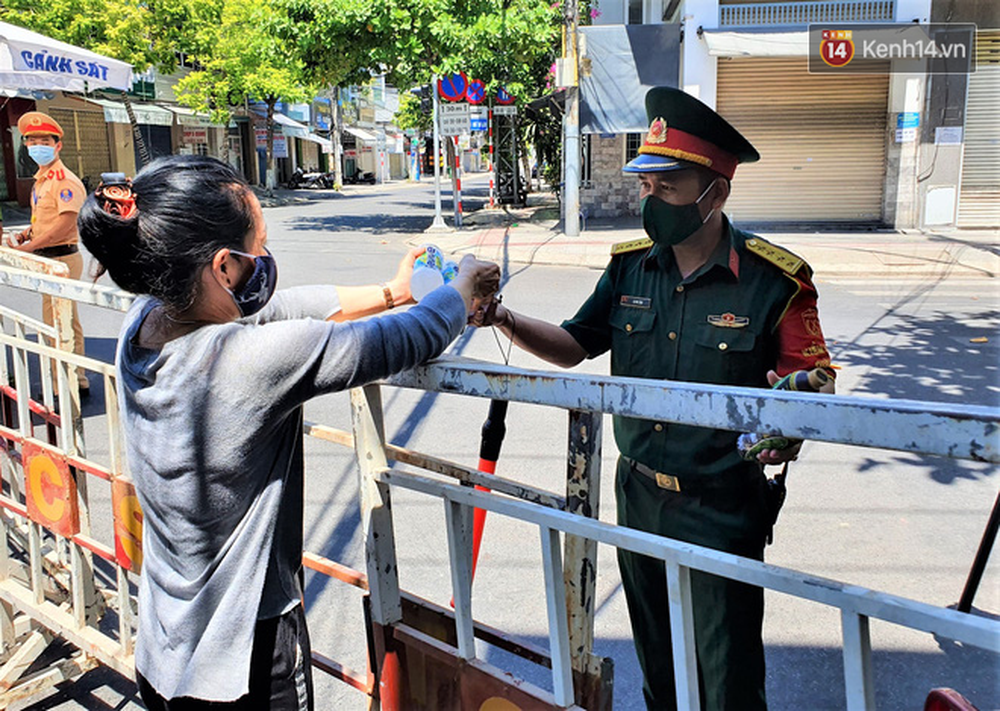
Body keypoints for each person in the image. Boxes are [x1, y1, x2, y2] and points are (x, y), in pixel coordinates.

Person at [78, 155, 500, 709]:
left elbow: (282, 311)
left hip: (163, 648)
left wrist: (392, 289)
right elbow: (410, 337)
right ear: (225, 267)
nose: (267, 260)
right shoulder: (246, 361)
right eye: (260, 247)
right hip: (246, 660)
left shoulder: (146, 323)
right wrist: (460, 288)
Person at [475, 87, 835, 710]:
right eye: (646, 184)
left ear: (715, 193)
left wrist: (791, 417)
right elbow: (573, 344)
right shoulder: (629, 268)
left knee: (726, 679)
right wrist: (501, 317)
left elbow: (813, 379)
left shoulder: (777, 282)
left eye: (667, 186)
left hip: (723, 506)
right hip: (638, 494)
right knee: (660, 669)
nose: (650, 198)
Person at [8, 111, 90, 395]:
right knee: (60, 320)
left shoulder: (64, 180)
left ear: (58, 145)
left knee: (62, 322)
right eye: (31, 141)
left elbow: (65, 223)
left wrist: (30, 247)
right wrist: (25, 235)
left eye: (44, 140)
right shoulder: (42, 180)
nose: (37, 145)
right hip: (49, 257)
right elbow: (42, 222)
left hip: (61, 258)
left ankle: (66, 385)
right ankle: (72, 379)